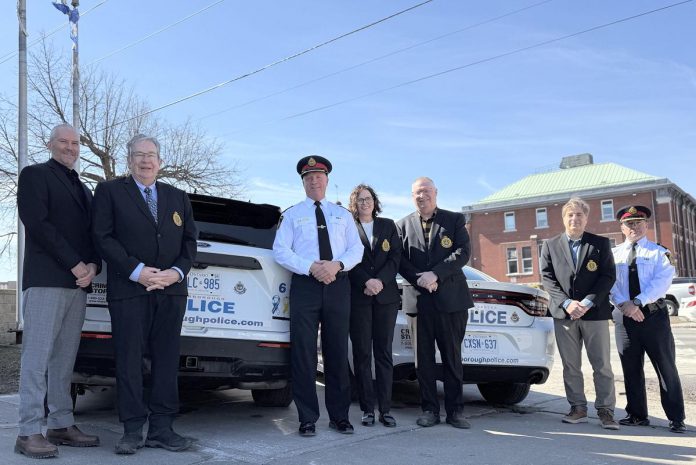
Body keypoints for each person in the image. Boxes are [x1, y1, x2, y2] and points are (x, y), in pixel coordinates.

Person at [92, 134, 198, 454]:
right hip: (129, 290)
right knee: (129, 361)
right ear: (129, 159)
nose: (146, 160)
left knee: (166, 361)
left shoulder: (178, 196)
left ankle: (163, 429)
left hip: (171, 291)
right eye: (139, 154)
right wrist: (137, 271)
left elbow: (190, 243)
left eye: (151, 155)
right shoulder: (110, 191)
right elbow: (102, 236)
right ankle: (132, 430)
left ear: (160, 161)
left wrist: (175, 273)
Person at [15, 123, 101, 458]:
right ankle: (28, 431)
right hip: (47, 279)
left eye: (75, 143)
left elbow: (93, 233)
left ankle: (61, 423)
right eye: (63, 142)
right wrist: (74, 264)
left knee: (64, 360)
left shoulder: (83, 188)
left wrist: (93, 265)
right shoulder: (35, 175)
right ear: (50, 144)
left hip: (78, 284)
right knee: (36, 360)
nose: (69, 147)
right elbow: (37, 223)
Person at [273, 155, 364, 437]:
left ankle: (340, 416)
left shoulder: (343, 215)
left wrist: (336, 266)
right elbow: (281, 250)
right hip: (305, 284)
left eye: (319, 177)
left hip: (337, 285)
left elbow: (356, 250)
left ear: (327, 180)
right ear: (303, 182)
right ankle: (307, 418)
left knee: (336, 352)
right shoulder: (291, 214)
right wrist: (311, 267)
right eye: (308, 178)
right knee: (304, 353)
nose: (314, 181)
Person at [396, 177, 473, 429]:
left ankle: (455, 412)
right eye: (417, 193)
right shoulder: (402, 226)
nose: (422, 196)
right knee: (424, 361)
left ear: (436, 193)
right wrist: (421, 279)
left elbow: (462, 251)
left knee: (452, 358)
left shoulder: (454, 220)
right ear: (412, 197)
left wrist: (436, 274)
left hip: (451, 301)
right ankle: (429, 409)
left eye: (426, 191)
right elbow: (399, 260)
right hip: (419, 303)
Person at [540, 197, 618, 430]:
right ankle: (578, 408)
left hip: (594, 313)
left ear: (586, 218)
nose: (575, 219)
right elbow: (547, 278)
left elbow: (608, 276)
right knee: (571, 365)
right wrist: (566, 303)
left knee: (602, 364)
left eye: (579, 215)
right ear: (564, 218)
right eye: (570, 215)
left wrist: (586, 302)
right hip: (564, 316)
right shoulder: (550, 245)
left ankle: (606, 411)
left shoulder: (600, 244)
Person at [609, 205, 686, 433]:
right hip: (624, 317)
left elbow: (662, 282)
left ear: (646, 225)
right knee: (630, 367)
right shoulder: (613, 255)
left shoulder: (659, 252)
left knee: (665, 366)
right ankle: (637, 414)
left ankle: (676, 417)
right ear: (622, 227)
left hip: (653, 316)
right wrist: (625, 305)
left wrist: (638, 302)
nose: (634, 227)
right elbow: (609, 283)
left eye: (638, 222)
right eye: (629, 223)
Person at [347, 184, 401, 428]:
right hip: (359, 297)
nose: (365, 203)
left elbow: (395, 258)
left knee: (384, 354)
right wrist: (365, 281)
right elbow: (346, 258)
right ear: (354, 204)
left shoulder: (388, 226)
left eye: (368, 199)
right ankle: (368, 410)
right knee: (362, 354)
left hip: (385, 298)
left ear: (374, 201)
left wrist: (379, 281)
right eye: (360, 200)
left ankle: (385, 410)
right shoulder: (348, 228)